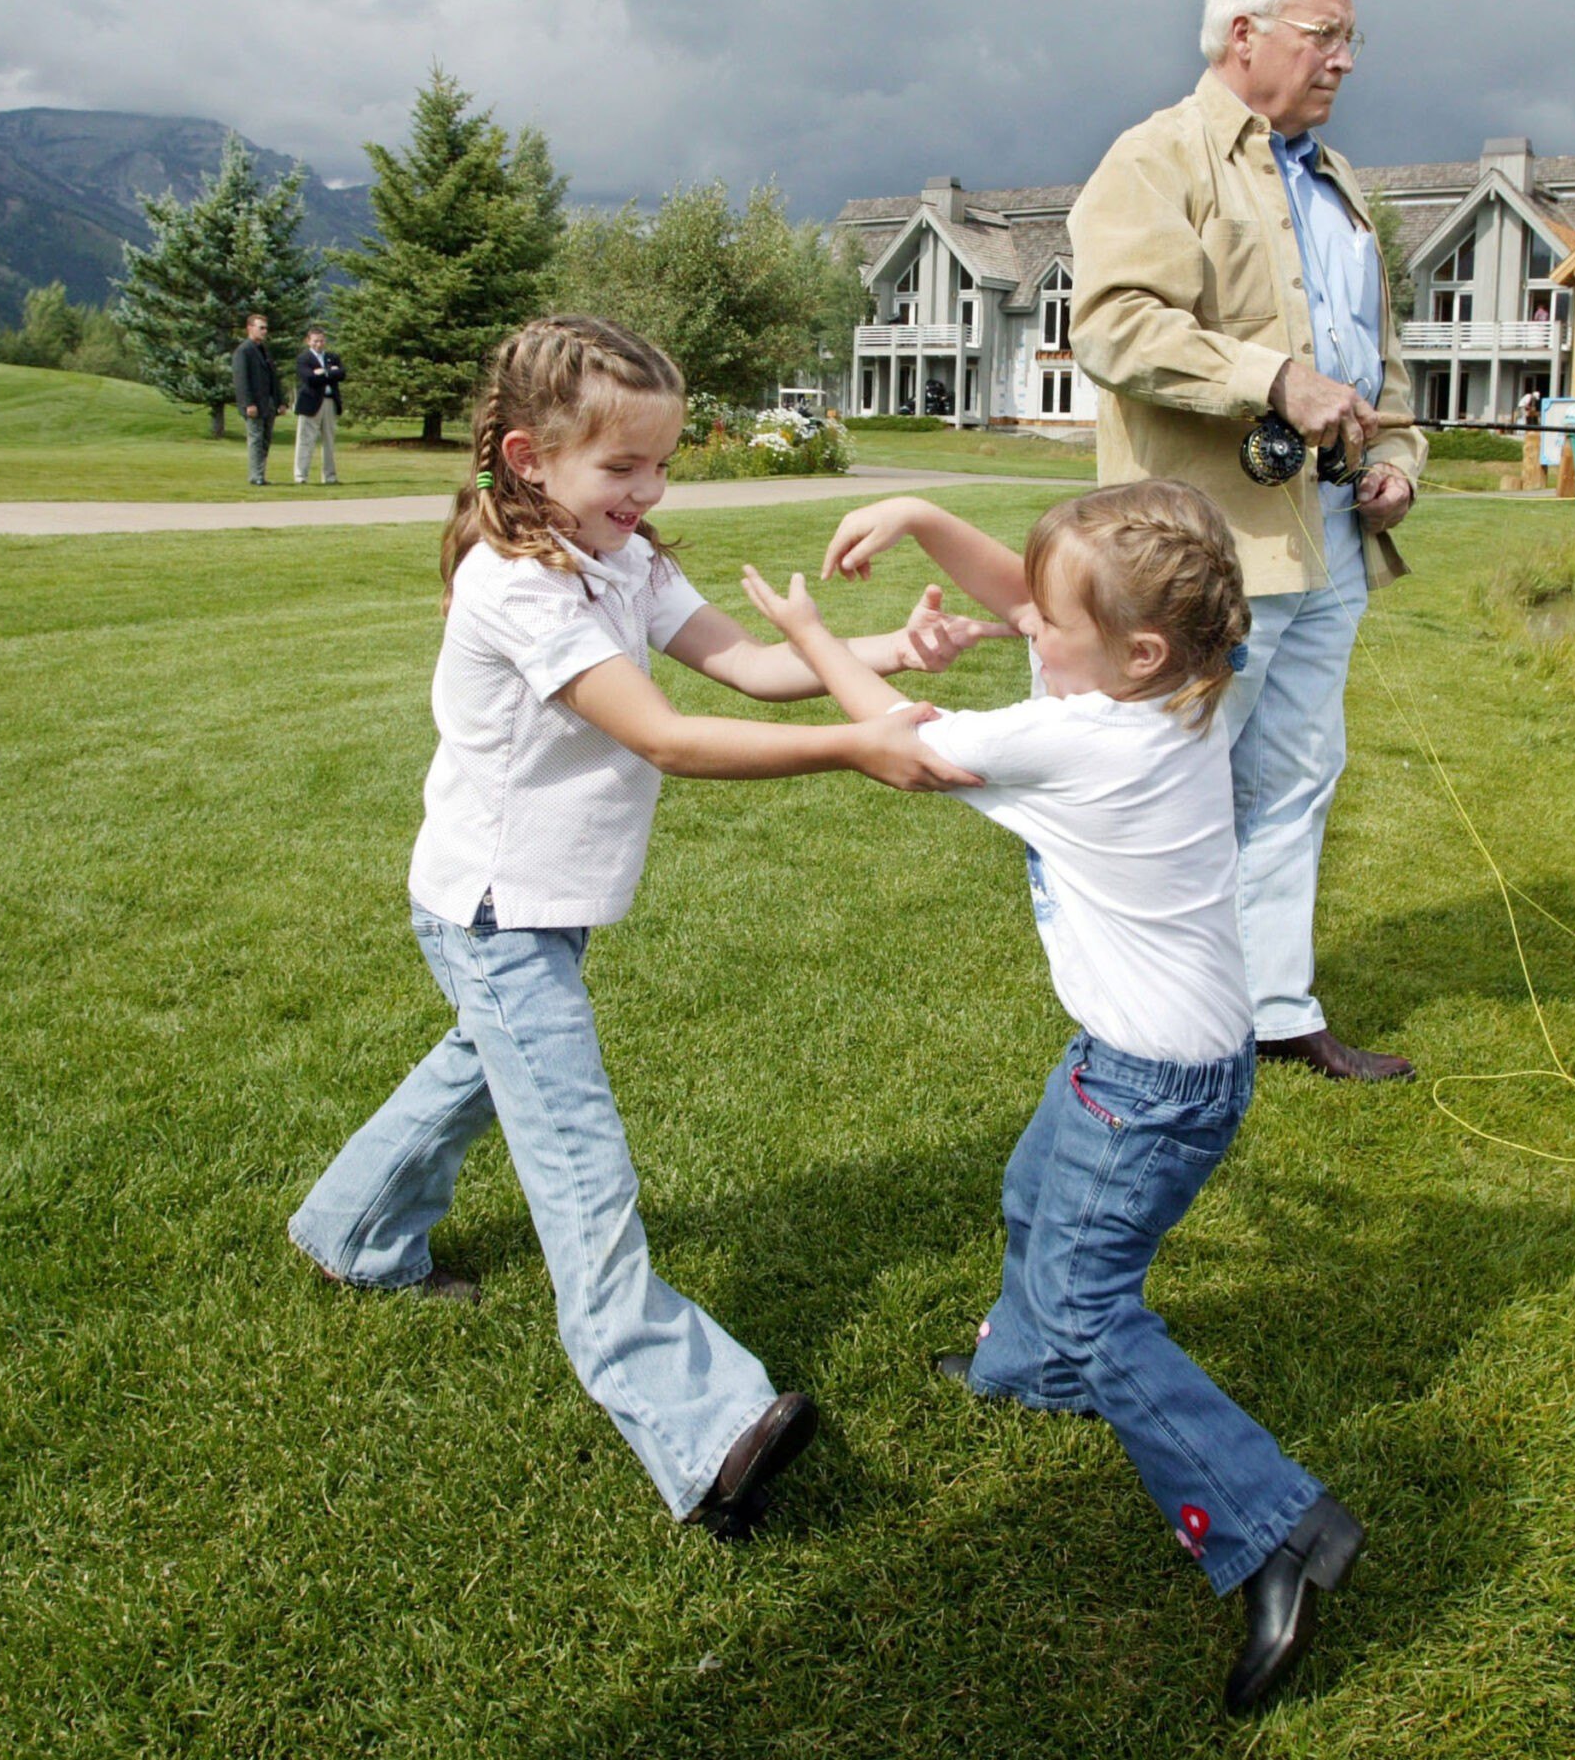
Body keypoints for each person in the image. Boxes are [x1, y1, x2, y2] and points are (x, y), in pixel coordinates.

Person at [287, 315, 1002, 1536]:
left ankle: (353, 1232)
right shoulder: (516, 582)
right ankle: (701, 1423)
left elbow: (742, 667)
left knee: (479, 1064)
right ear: (526, 457)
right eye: (622, 468)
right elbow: (663, 735)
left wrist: (887, 648)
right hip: (495, 909)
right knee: (577, 1159)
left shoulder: (623, 556)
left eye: (662, 464)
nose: (649, 489)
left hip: (533, 907)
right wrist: (855, 746)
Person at [743, 480, 1367, 1714]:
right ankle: (1025, 1370)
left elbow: (906, 748)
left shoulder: (1092, 737)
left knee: (1091, 1300)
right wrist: (921, 514)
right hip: (1151, 1065)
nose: (1024, 626)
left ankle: (1274, 1527)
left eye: (1047, 624)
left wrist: (814, 639)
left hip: (1146, 1085)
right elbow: (1042, 600)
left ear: (1132, 649)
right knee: (1036, 1196)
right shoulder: (1185, 684)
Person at [1070, 0, 1428, 1083]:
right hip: (1206, 549)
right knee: (1182, 781)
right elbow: (1115, 325)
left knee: (1297, 776)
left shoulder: (1338, 181)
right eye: (1326, 36)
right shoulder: (1155, 157)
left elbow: (1380, 359)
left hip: (1327, 541)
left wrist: (1401, 461)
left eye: (1347, 39)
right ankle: (1153, 1022)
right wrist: (1272, 380)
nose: (1344, 61)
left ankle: (1272, 1010)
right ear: (1244, 37)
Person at [232, 313, 281, 485]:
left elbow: (273, 378)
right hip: (254, 404)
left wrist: (279, 401)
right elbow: (241, 380)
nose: (264, 331)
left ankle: (260, 473)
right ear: (250, 328)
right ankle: (256, 476)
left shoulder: (264, 350)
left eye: (266, 328)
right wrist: (248, 403)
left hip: (267, 402)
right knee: (255, 439)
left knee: (265, 439)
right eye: (261, 327)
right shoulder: (244, 351)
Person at [293, 326, 345, 484]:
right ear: (308, 341)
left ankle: (329, 476)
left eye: (321, 340)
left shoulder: (332, 357)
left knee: (329, 441)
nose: (319, 344)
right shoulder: (304, 358)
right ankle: (301, 476)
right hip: (311, 403)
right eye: (315, 341)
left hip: (329, 401)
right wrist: (330, 373)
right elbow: (310, 379)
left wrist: (323, 372)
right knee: (306, 441)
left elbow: (342, 374)